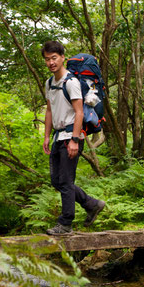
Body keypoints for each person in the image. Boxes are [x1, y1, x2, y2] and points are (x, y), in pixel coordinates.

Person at [42, 41, 106, 235]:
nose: (51, 62)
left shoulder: (71, 82)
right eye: (47, 59)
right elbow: (50, 110)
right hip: (57, 137)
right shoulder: (49, 83)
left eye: (54, 58)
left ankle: (65, 224)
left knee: (67, 181)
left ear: (63, 58)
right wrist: (46, 136)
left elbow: (79, 113)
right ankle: (92, 204)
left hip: (71, 136)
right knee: (57, 181)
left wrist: (75, 140)